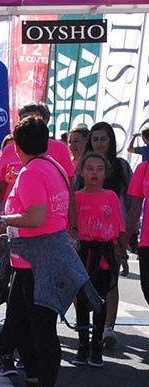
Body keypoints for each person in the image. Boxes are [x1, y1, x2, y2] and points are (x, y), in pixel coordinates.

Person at [0, 115, 72, 387]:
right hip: (36, 258)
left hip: (36, 260)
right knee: (23, 325)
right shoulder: (53, 166)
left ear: (16, 146)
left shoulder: (31, 173)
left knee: (41, 329)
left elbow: (36, 217)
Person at [77, 121, 134, 339]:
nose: (99, 143)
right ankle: (86, 329)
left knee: (110, 282)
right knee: (82, 283)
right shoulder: (84, 166)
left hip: (112, 234)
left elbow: (130, 202)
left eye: (104, 138)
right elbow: (74, 201)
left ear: (111, 141)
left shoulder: (121, 167)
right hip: (85, 237)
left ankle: (108, 328)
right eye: (96, 138)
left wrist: (128, 236)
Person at [71, 152, 125, 367]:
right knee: (82, 301)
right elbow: (69, 228)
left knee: (100, 301)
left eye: (99, 169)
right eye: (90, 169)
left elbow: (119, 228)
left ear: (106, 173)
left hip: (104, 253)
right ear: (82, 172)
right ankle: (83, 346)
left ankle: (97, 347)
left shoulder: (110, 196)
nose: (94, 173)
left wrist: (122, 253)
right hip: (82, 254)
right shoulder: (76, 197)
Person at [0, 102, 74, 211]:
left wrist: (73, 224)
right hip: (11, 218)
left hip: (49, 219)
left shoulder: (60, 148)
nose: (29, 123)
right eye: (24, 119)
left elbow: (69, 189)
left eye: (35, 118)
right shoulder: (10, 149)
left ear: (46, 120)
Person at [125, 158, 149, 305]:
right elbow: (134, 208)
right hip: (146, 241)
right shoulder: (144, 168)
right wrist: (124, 240)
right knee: (147, 287)